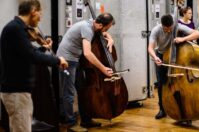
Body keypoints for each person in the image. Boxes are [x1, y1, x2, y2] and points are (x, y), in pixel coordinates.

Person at [0, 1, 68, 132]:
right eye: (40, 13)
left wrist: (43, 49)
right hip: (16, 93)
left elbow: (29, 53)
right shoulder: (15, 28)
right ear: (33, 11)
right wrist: (57, 60)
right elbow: (32, 56)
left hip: (18, 92)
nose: (40, 18)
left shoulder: (17, 28)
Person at [56, 13, 114, 129]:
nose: (106, 31)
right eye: (106, 28)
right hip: (66, 60)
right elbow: (87, 53)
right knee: (69, 92)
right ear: (100, 25)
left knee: (82, 91)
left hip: (75, 59)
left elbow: (104, 32)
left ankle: (86, 120)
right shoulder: (87, 28)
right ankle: (70, 122)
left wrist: (110, 39)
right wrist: (103, 68)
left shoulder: (93, 23)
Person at [148, 14, 199, 119]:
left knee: (180, 82)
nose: (168, 31)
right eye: (165, 29)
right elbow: (150, 48)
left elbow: (198, 34)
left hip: (177, 57)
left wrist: (183, 39)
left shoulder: (177, 26)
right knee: (161, 84)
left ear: (173, 24)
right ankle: (162, 109)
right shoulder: (156, 30)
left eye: (170, 28)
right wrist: (155, 57)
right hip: (161, 56)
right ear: (162, 25)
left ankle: (184, 109)